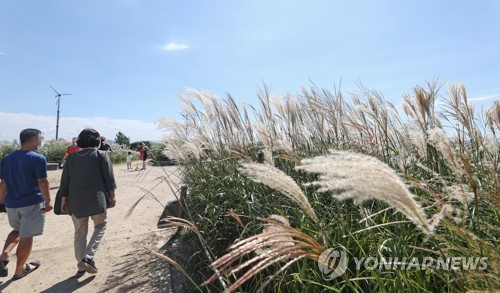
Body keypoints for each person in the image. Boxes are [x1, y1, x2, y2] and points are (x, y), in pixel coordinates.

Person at [57, 128, 117, 277]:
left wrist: (63, 200)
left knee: (79, 233)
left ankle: (81, 266)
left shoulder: (71, 158)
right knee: (101, 226)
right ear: (97, 141)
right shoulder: (101, 155)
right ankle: (88, 257)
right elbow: (109, 179)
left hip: (76, 201)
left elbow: (64, 182)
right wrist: (112, 197)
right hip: (97, 200)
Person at [0, 128, 53, 280]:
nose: (41, 142)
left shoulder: (7, 158)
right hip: (31, 202)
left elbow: (3, 182)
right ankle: (20, 270)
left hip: (11, 203)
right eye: (40, 139)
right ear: (32, 140)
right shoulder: (38, 158)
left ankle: (4, 254)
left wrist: (0, 199)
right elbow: (42, 181)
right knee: (27, 235)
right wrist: (48, 201)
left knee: (17, 229)